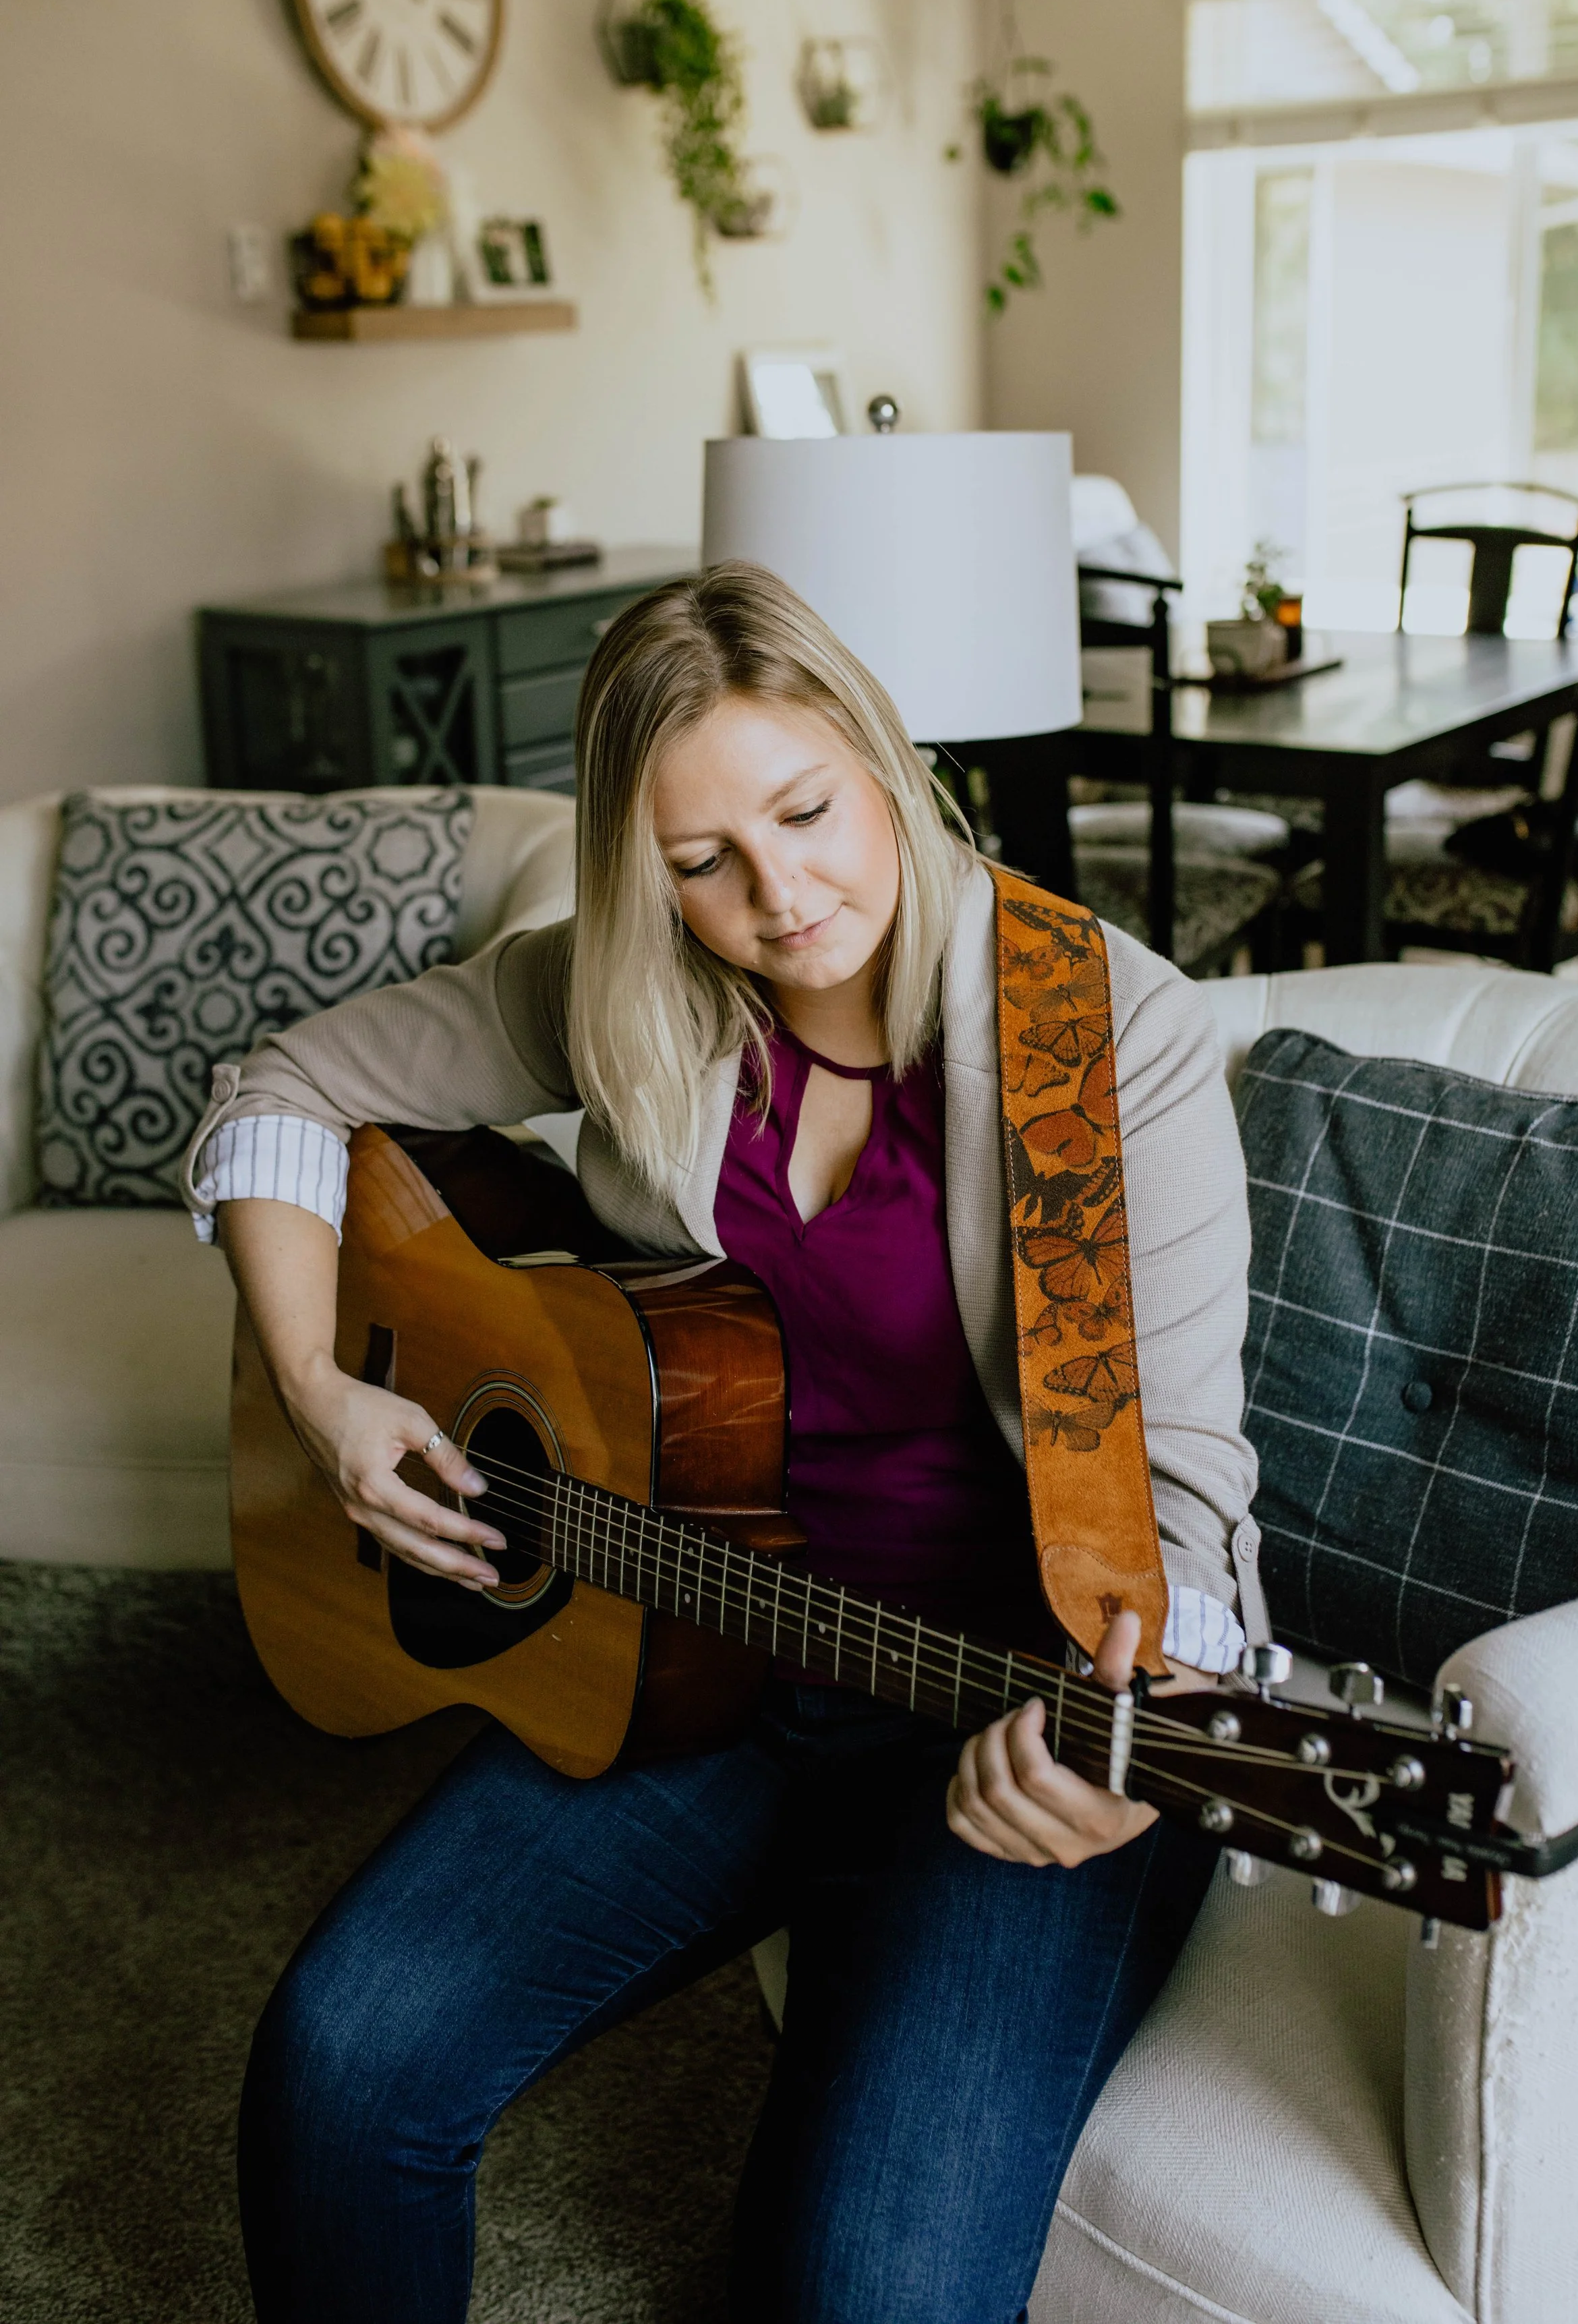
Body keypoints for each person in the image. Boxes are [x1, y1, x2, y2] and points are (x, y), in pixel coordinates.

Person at [188, 562, 1263, 2324]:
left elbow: (1186, 1512)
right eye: (701, 862)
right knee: (341, 2059)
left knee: (865, 2288)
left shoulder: (1098, 1034)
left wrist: (1121, 1738)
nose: (779, 895)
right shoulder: (622, 998)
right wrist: (321, 1384)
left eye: (805, 810)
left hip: (1005, 1719)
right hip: (686, 1657)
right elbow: (282, 1090)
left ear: (877, 750)